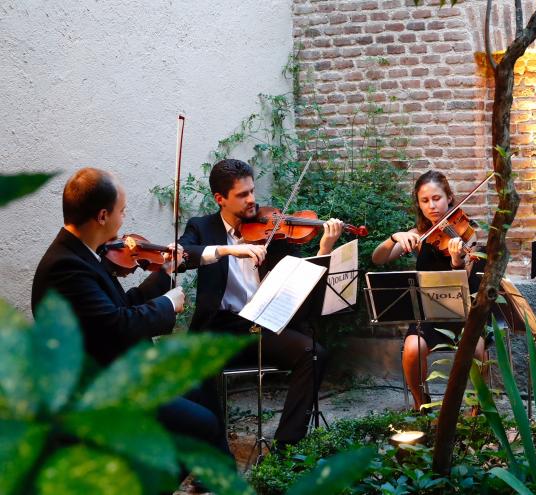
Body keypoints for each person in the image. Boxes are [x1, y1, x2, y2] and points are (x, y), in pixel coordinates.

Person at [31, 167, 229, 459]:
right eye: (121, 211)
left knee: (200, 389)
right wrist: (167, 304)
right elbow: (117, 323)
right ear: (102, 216)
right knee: (202, 426)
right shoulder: (67, 267)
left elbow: (119, 306)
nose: (124, 219)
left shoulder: (83, 253)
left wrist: (165, 272)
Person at [178, 158, 343, 448]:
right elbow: (182, 255)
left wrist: (324, 248)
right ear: (221, 199)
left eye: (252, 191)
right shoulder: (202, 227)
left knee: (313, 354)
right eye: (243, 195)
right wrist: (230, 249)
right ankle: (214, 456)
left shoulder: (272, 228)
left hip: (262, 325)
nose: (252, 200)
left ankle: (286, 448)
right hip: (221, 328)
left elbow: (299, 275)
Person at [372, 170, 488, 411]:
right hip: (429, 314)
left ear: (449, 198)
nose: (432, 206)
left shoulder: (468, 231)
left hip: (464, 312)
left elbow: (466, 274)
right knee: (413, 349)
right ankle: (420, 404)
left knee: (476, 349)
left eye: (437, 198)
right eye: (425, 201)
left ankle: (479, 408)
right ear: (419, 204)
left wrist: (456, 261)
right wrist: (394, 238)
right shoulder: (418, 235)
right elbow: (378, 259)